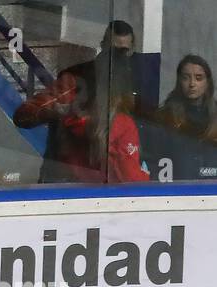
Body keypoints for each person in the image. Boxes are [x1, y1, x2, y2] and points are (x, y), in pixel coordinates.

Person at [14, 20, 148, 184]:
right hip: (68, 179)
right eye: (112, 51)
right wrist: (57, 112)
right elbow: (24, 114)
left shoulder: (134, 81)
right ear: (103, 46)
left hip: (116, 182)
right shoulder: (76, 79)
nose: (117, 57)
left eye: (123, 51)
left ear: (132, 50)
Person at [76, 50, 149, 183]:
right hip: (115, 198)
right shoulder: (122, 124)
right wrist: (146, 177)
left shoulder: (78, 119)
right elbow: (131, 178)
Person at [148, 55, 217, 182]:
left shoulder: (215, 117)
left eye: (198, 78)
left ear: (208, 82)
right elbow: (153, 162)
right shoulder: (164, 117)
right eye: (186, 78)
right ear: (179, 81)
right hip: (176, 192)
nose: (192, 84)